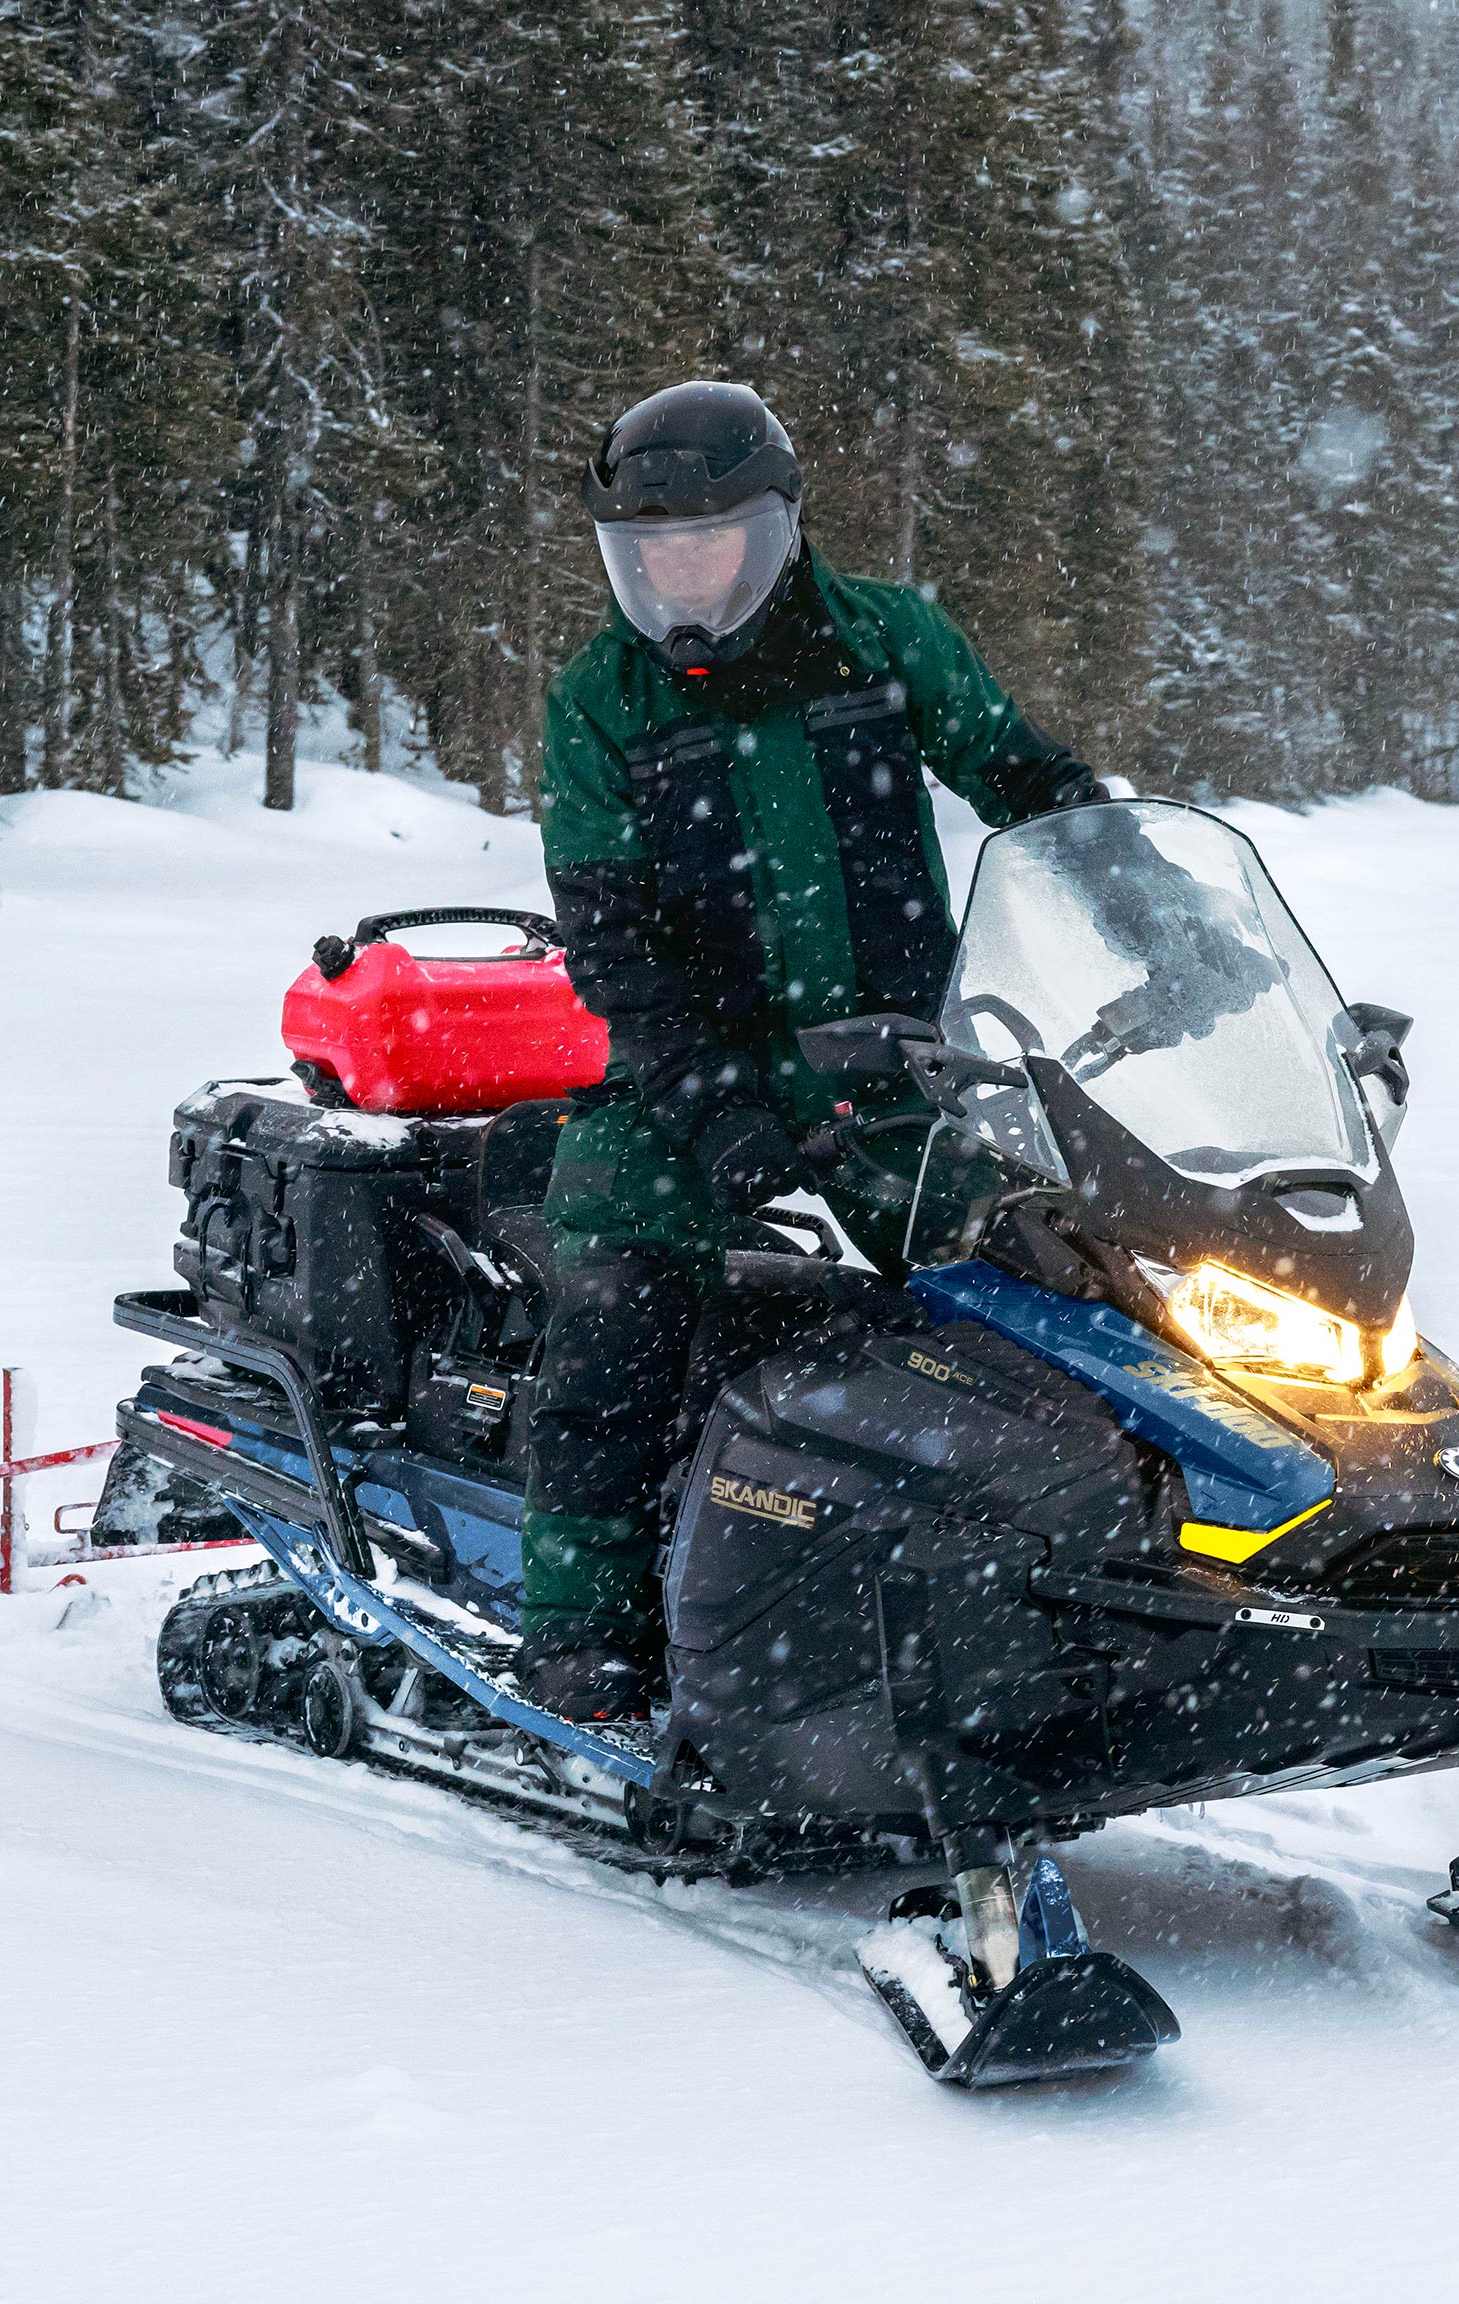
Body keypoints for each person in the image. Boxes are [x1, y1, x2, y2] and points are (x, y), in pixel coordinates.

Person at [516, 380, 1109, 1721]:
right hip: (684, 1084)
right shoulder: (599, 702)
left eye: (705, 543)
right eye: (649, 550)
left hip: (899, 1072)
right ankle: (580, 1630)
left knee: (1039, 1291)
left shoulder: (882, 640)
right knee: (618, 1294)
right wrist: (718, 1108)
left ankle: (1065, 1585)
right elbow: (614, 950)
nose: (679, 574)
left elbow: (1020, 779)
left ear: (776, 532)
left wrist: (1130, 888)